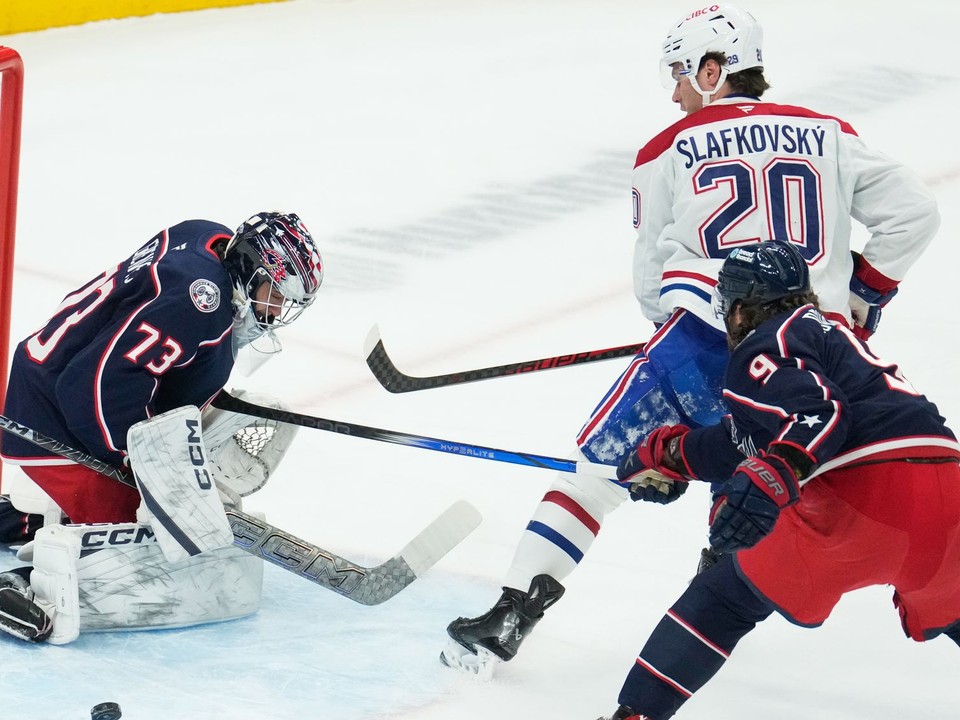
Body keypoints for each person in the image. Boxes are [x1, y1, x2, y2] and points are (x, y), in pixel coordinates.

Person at [440, 3, 941, 676]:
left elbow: (652, 280)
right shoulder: (830, 133)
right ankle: (714, 597)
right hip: (815, 353)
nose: (674, 89)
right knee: (759, 470)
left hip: (701, 342)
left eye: (681, 73)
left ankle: (509, 617)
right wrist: (858, 301)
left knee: (595, 477)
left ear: (714, 71)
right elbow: (915, 213)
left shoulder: (665, 150)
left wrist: (674, 358)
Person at [595, 239, 960, 720]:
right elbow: (742, 441)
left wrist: (777, 472)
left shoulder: (764, 344)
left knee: (726, 599)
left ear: (741, 306)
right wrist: (668, 453)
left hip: (861, 495)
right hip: (947, 493)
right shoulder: (823, 337)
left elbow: (820, 414)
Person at [0, 211, 323, 643]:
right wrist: (143, 465)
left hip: (56, 385)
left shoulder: (208, 240)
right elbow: (94, 385)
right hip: (52, 421)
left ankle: (19, 518)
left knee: (170, 517)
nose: (277, 310)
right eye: (276, 294)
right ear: (251, 268)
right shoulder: (199, 300)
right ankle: (23, 585)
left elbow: (149, 353)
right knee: (152, 543)